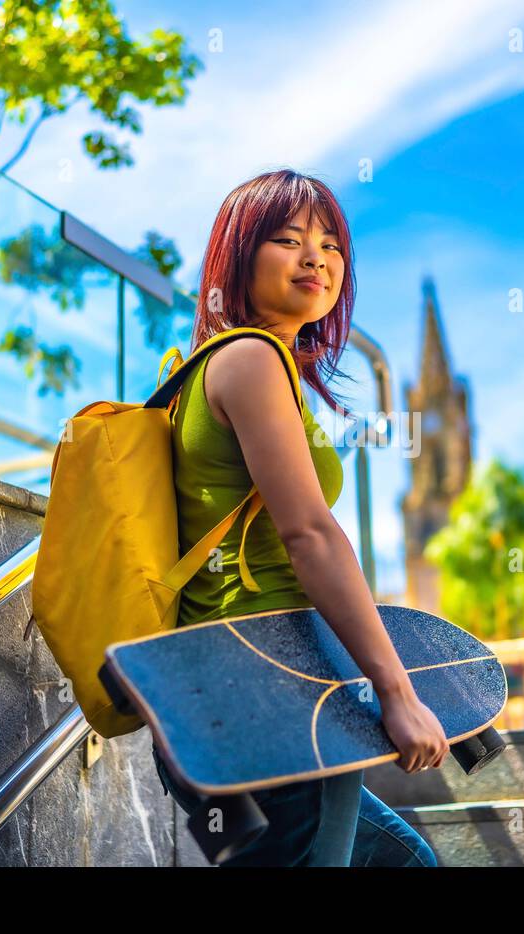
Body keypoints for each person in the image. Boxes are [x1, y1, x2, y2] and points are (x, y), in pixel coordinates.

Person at [151, 168, 445, 867]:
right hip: (272, 694)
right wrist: (395, 691)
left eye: (330, 243)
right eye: (288, 239)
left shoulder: (216, 367)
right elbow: (309, 534)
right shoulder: (250, 360)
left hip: (216, 701)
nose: (317, 257)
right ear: (238, 258)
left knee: (403, 862)